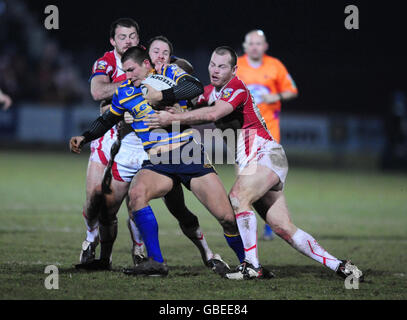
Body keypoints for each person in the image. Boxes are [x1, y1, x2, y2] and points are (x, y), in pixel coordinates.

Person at [145, 46, 363, 281]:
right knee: (283, 227)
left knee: (238, 197)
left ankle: (252, 266)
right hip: (254, 162)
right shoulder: (212, 91)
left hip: (266, 154)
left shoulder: (235, 87)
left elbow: (212, 115)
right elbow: (191, 98)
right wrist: (167, 96)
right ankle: (341, 267)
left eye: (222, 66)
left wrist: (173, 117)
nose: (215, 70)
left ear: (234, 70)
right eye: (212, 64)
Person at [70, 46, 245, 276]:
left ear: (145, 64)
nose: (128, 75)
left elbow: (194, 87)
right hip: (157, 160)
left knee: (226, 218)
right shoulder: (124, 91)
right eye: (124, 70)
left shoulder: (169, 74)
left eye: (131, 69)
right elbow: (106, 120)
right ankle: (156, 262)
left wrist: (162, 96)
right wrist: (84, 136)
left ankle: (248, 262)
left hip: (186, 153)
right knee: (136, 196)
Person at [237, 29, 298, 240]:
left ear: (265, 46)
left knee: (270, 184)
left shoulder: (275, 66)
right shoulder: (237, 66)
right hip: (244, 136)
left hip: (270, 135)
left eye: (258, 43)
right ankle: (247, 223)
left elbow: (292, 90)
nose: (254, 47)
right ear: (245, 46)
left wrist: (276, 95)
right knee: (244, 182)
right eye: (251, 43)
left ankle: (272, 224)